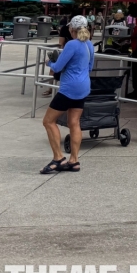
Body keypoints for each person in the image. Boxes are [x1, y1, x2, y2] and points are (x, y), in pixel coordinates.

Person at [40, 15, 95, 173]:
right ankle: (74, 160)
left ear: (72, 29)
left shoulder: (72, 44)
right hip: (83, 87)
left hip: (69, 88)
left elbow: (57, 67)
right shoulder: (89, 44)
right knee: (74, 123)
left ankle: (58, 158)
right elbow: (90, 67)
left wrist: (49, 62)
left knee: (48, 121)